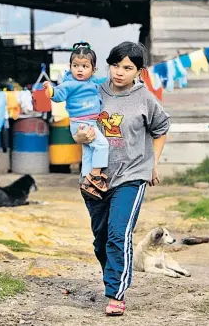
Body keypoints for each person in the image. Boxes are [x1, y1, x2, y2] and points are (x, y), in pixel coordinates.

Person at [73, 41, 170, 316]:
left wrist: (154, 163)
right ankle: (112, 277)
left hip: (132, 174)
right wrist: (79, 136)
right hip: (95, 176)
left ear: (139, 71)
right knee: (101, 239)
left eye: (127, 67)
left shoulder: (145, 98)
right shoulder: (93, 90)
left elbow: (161, 128)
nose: (119, 72)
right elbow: (77, 124)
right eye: (115, 65)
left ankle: (116, 293)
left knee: (118, 233)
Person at [43, 41, 109, 200]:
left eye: (85, 66)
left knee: (88, 152)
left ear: (93, 69)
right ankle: (95, 175)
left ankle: (86, 182)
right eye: (76, 65)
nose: (79, 69)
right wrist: (50, 90)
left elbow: (104, 82)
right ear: (70, 66)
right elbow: (58, 94)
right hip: (82, 123)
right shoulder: (70, 84)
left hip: (90, 122)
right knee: (102, 145)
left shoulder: (92, 82)